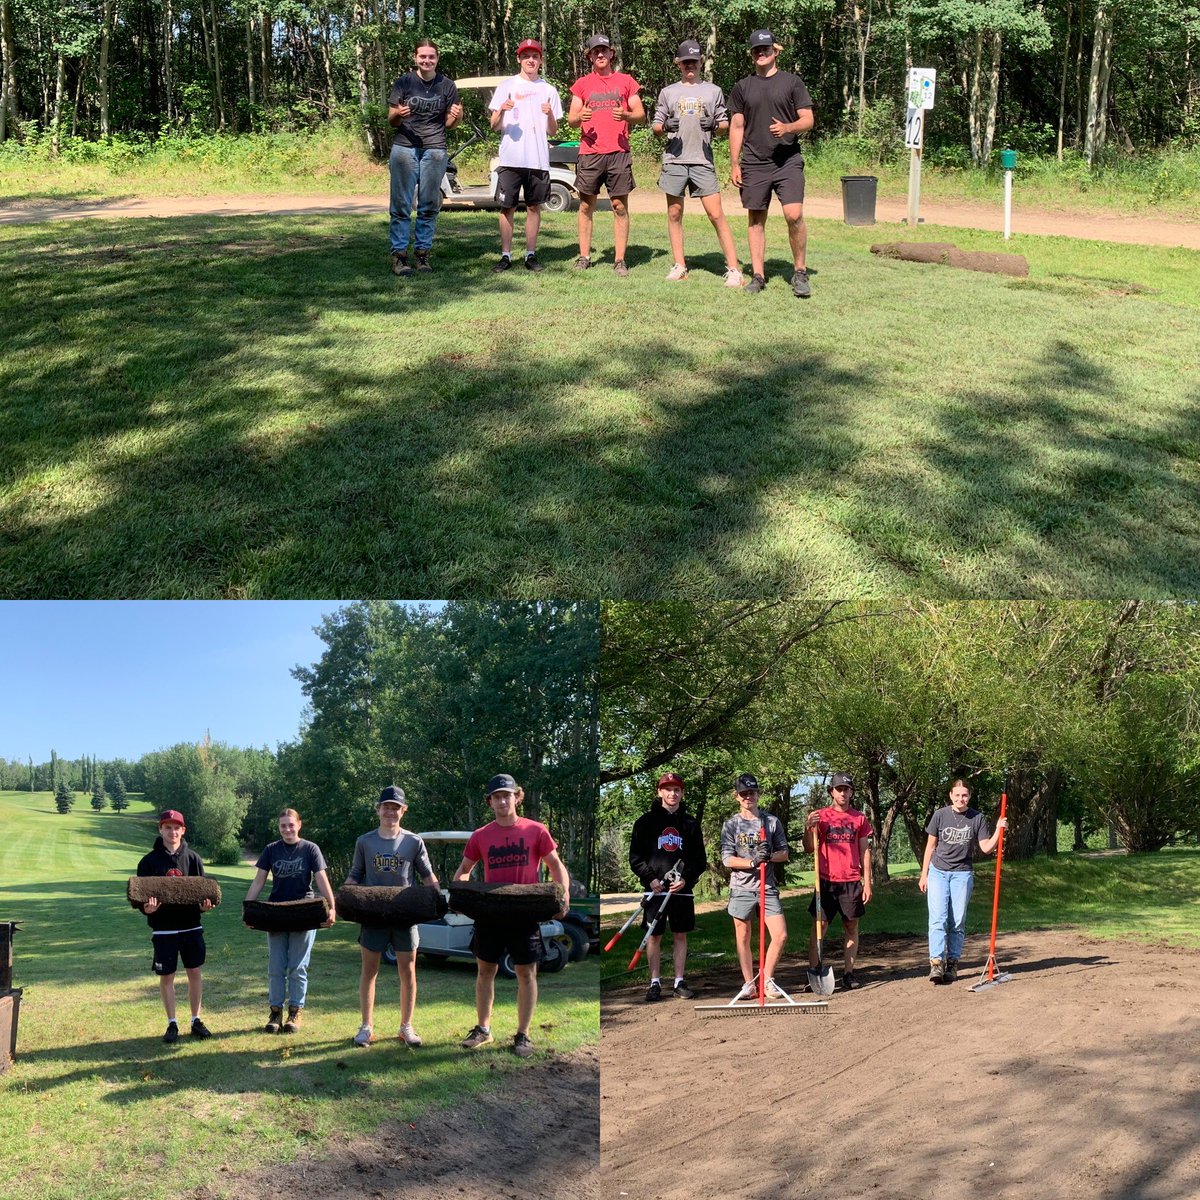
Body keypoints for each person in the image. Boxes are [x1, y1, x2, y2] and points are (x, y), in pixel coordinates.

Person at [454, 773, 571, 1058]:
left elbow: (555, 865)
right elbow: (464, 870)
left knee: (526, 973)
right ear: (490, 802)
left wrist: (564, 894)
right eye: (497, 797)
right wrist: (459, 896)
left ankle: (523, 1034)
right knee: (485, 971)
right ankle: (483, 1029)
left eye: (507, 795)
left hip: (524, 913)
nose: (502, 800)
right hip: (491, 914)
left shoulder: (536, 830)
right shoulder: (481, 836)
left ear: (517, 797)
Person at [345, 785, 439, 1047]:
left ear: (403, 811)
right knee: (369, 970)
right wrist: (346, 892)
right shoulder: (364, 841)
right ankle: (366, 1027)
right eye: (386, 807)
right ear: (378, 810)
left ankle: (406, 1027)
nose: (390, 812)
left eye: (396, 807)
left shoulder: (413, 841)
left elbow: (426, 874)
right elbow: (355, 873)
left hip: (404, 916)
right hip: (373, 914)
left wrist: (438, 896)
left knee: (408, 971)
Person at [728, 29, 815, 297]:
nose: (761, 53)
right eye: (756, 50)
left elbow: (808, 119)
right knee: (756, 219)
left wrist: (788, 127)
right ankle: (758, 275)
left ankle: (799, 272)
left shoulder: (792, 82)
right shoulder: (743, 87)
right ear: (752, 54)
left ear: (775, 51)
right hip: (754, 162)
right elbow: (737, 125)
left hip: (787, 160)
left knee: (794, 215)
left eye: (766, 49)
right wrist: (734, 163)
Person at [652, 40, 744, 287]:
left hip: (702, 160)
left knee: (716, 214)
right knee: (674, 213)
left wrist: (714, 125)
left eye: (693, 61)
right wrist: (664, 127)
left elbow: (725, 125)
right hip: (675, 159)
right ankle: (680, 265)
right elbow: (656, 125)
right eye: (685, 62)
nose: (689, 65)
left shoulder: (713, 91)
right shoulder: (668, 92)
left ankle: (734, 269)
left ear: (700, 62)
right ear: (678, 64)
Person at [244, 808, 337, 1033]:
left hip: (304, 912)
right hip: (276, 913)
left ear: (299, 825)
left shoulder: (310, 849)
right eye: (283, 825)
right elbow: (258, 882)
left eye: (290, 824)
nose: (287, 829)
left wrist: (332, 907)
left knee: (298, 967)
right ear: (279, 828)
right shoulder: (271, 850)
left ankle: (294, 1012)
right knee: (276, 966)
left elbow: (321, 880)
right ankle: (275, 1012)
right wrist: (248, 909)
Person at [568, 33, 645, 275]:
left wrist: (626, 116)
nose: (600, 54)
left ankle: (619, 260)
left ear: (612, 53)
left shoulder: (626, 81)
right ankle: (584, 256)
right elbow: (571, 120)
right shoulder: (581, 84)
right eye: (595, 51)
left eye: (604, 50)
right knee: (585, 206)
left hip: (618, 152)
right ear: (589, 56)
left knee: (619, 206)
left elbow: (640, 114)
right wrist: (581, 117)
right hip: (590, 152)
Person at [628, 771, 708, 1001]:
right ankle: (654, 983)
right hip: (655, 890)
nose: (672, 793)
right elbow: (636, 858)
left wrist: (686, 880)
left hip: (681, 892)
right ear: (659, 792)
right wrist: (650, 879)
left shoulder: (690, 824)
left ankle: (679, 981)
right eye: (668, 789)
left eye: (677, 790)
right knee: (654, 936)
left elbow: (699, 860)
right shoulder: (645, 823)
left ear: (682, 793)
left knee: (680, 934)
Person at [136, 809, 215, 1043]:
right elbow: (140, 897)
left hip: (191, 927)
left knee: (194, 972)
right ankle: (172, 1023)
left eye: (176, 827)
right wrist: (145, 908)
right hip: (164, 930)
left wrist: (204, 907)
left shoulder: (193, 859)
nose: (172, 831)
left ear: (183, 830)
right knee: (167, 976)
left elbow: (203, 894)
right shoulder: (148, 862)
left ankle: (196, 1020)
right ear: (160, 830)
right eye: (167, 827)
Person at [387, 39, 464, 276]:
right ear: (415, 58)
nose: (427, 61)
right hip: (404, 149)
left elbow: (450, 125)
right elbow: (391, 120)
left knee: (429, 205)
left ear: (437, 59)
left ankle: (422, 254)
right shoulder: (404, 82)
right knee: (401, 204)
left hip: (435, 150)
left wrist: (457, 116)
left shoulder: (447, 85)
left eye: (431, 57)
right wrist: (399, 114)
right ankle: (399, 256)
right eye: (423, 57)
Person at [918, 779, 1007, 983]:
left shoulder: (976, 818)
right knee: (938, 918)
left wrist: (998, 829)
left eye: (964, 795)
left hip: (962, 873)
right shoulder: (940, 815)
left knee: (957, 920)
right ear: (951, 796)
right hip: (938, 871)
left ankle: (952, 962)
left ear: (969, 796)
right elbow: (930, 847)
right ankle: (936, 963)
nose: (960, 798)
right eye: (957, 795)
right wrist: (924, 874)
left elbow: (986, 848)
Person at [489, 39, 564, 273]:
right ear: (518, 59)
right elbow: (493, 126)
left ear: (540, 60)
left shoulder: (549, 90)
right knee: (507, 208)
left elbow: (553, 131)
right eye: (526, 56)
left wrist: (550, 114)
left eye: (535, 56)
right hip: (511, 158)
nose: (530, 60)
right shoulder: (506, 85)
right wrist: (501, 110)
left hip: (538, 159)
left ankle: (531, 255)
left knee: (534, 207)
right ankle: (505, 255)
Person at [719, 773, 789, 1000]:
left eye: (752, 792)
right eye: (744, 793)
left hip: (766, 886)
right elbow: (727, 859)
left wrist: (768, 856)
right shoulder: (731, 825)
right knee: (743, 936)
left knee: (780, 935)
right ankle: (749, 984)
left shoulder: (771, 822)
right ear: (737, 797)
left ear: (758, 794)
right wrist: (752, 862)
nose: (748, 797)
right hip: (741, 888)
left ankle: (767, 980)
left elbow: (784, 853)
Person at [804, 771, 873, 990]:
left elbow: (865, 851)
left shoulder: (859, 818)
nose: (843, 793)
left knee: (851, 927)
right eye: (839, 789)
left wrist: (867, 882)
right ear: (831, 792)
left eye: (847, 789)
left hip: (851, 880)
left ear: (852, 792)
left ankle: (849, 974)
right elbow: (809, 848)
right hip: (825, 881)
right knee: (819, 927)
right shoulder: (820, 816)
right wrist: (808, 827)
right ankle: (815, 972)